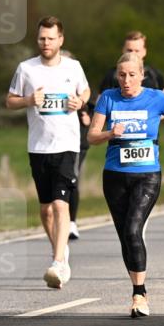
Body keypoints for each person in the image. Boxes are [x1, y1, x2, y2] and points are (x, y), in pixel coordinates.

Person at [88, 53, 164, 317]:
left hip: (147, 175)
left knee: (133, 230)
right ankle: (137, 287)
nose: (126, 80)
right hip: (115, 175)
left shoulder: (156, 97)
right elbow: (92, 135)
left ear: (142, 75)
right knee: (125, 236)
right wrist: (110, 133)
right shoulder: (108, 97)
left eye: (132, 75)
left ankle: (139, 293)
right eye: (122, 75)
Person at [6, 16, 90, 288]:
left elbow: (85, 90)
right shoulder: (26, 69)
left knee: (60, 204)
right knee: (45, 210)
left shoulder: (73, 67)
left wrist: (81, 100)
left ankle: (57, 262)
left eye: (51, 38)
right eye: (42, 38)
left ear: (60, 40)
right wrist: (29, 100)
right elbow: (10, 101)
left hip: (66, 144)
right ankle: (60, 250)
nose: (45, 43)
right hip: (38, 147)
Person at [96, 31, 164, 96]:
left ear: (144, 51)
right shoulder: (112, 75)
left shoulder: (155, 75)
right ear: (123, 50)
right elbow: (100, 103)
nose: (133, 54)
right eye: (129, 50)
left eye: (136, 51)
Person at [69, 98, 95, 241]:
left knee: (72, 179)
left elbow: (97, 110)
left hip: (77, 144)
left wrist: (88, 118)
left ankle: (71, 222)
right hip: (54, 143)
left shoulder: (83, 92)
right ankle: (61, 217)